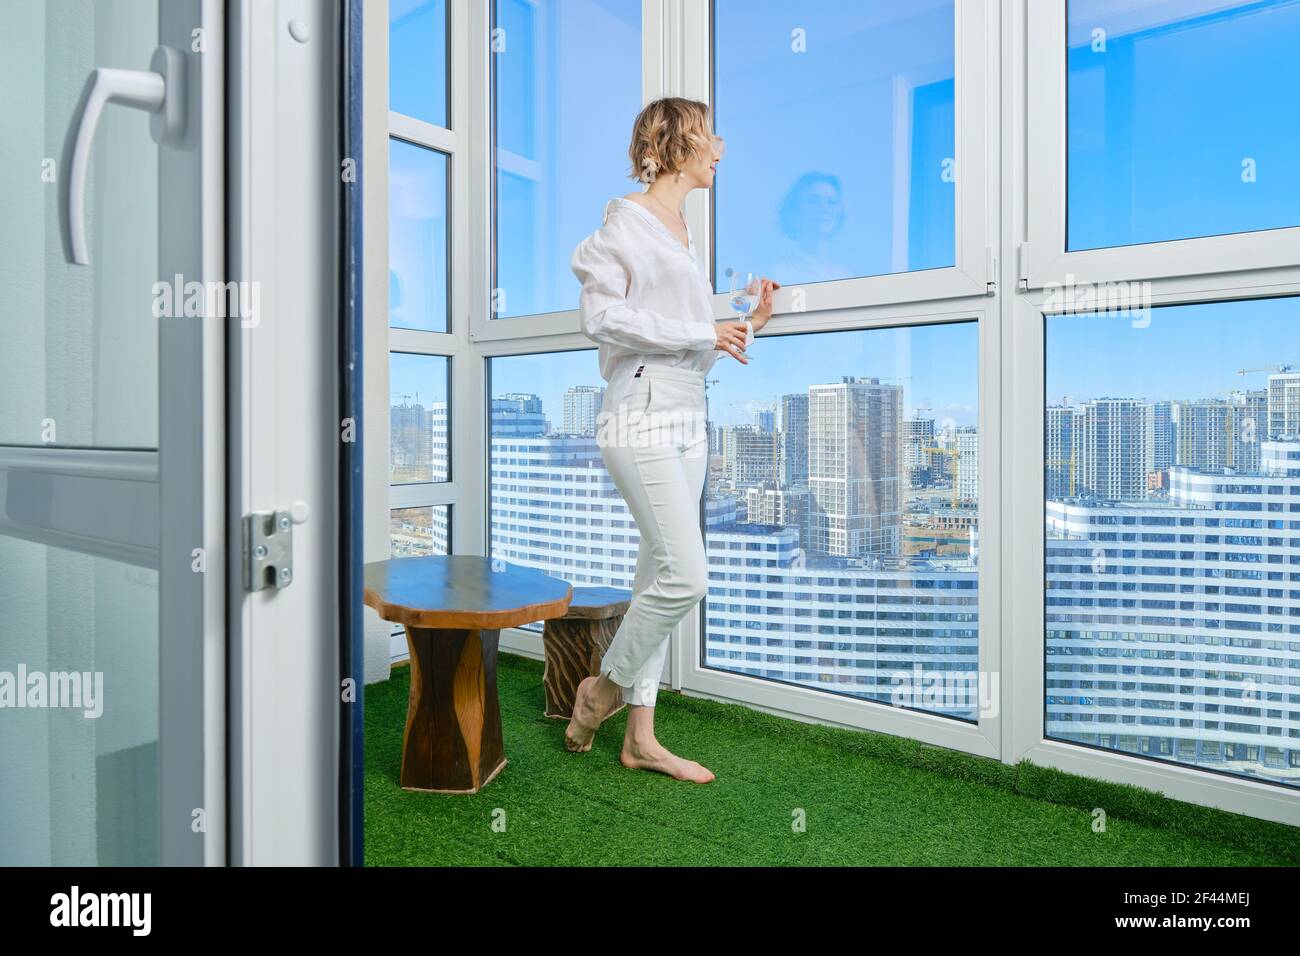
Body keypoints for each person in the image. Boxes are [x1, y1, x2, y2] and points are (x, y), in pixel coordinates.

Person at [567, 96, 779, 783]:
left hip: (690, 413)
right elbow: (603, 319)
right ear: (681, 141)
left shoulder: (687, 235)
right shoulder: (624, 222)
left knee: (659, 576)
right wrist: (700, 330)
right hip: (639, 413)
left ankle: (640, 740)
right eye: (712, 136)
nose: (721, 148)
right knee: (687, 576)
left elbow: (697, 350)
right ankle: (598, 693)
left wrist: (750, 323)